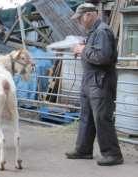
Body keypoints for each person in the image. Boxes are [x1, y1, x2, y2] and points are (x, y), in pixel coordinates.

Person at [65, 3, 124, 166]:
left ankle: (113, 154)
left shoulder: (102, 31)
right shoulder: (94, 32)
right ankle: (83, 150)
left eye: (79, 19)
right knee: (86, 116)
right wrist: (82, 49)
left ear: (89, 15)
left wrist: (83, 50)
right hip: (91, 80)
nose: (79, 22)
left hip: (101, 81)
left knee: (102, 118)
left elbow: (103, 57)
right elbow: (93, 53)